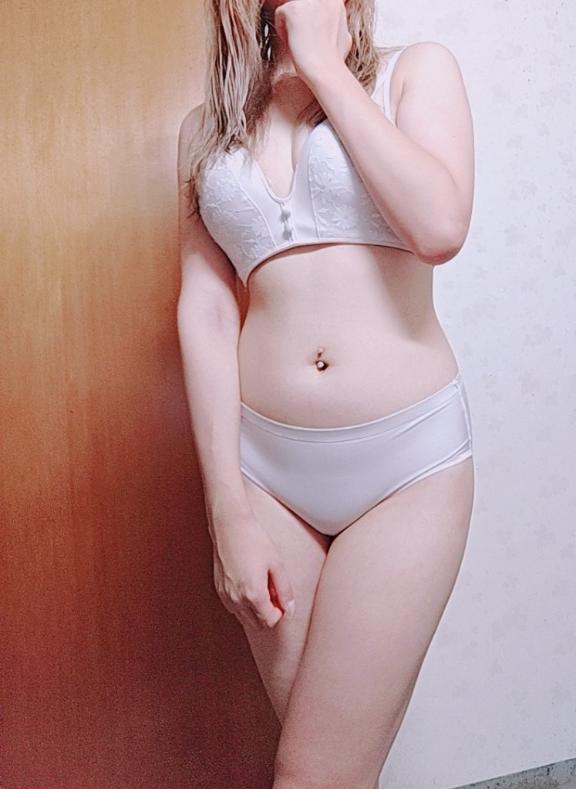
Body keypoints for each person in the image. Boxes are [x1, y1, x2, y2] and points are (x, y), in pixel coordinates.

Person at [177, 0, 476, 785]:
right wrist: (226, 511)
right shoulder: (206, 130)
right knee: (329, 769)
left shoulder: (414, 72)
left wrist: (323, 68)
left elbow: (440, 227)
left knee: (314, 772)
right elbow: (205, 312)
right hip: (266, 476)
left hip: (406, 468)